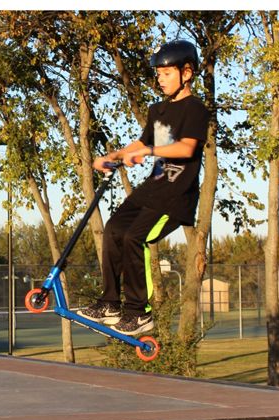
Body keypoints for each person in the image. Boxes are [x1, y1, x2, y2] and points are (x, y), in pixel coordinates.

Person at [79, 39, 209, 335]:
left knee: (135, 237)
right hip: (152, 190)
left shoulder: (196, 110)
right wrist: (115, 157)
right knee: (113, 230)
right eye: (158, 75)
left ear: (186, 73)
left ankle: (140, 312)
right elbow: (142, 142)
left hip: (176, 198)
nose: (160, 79)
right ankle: (110, 303)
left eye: (166, 73)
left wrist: (148, 153)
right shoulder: (157, 111)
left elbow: (187, 148)